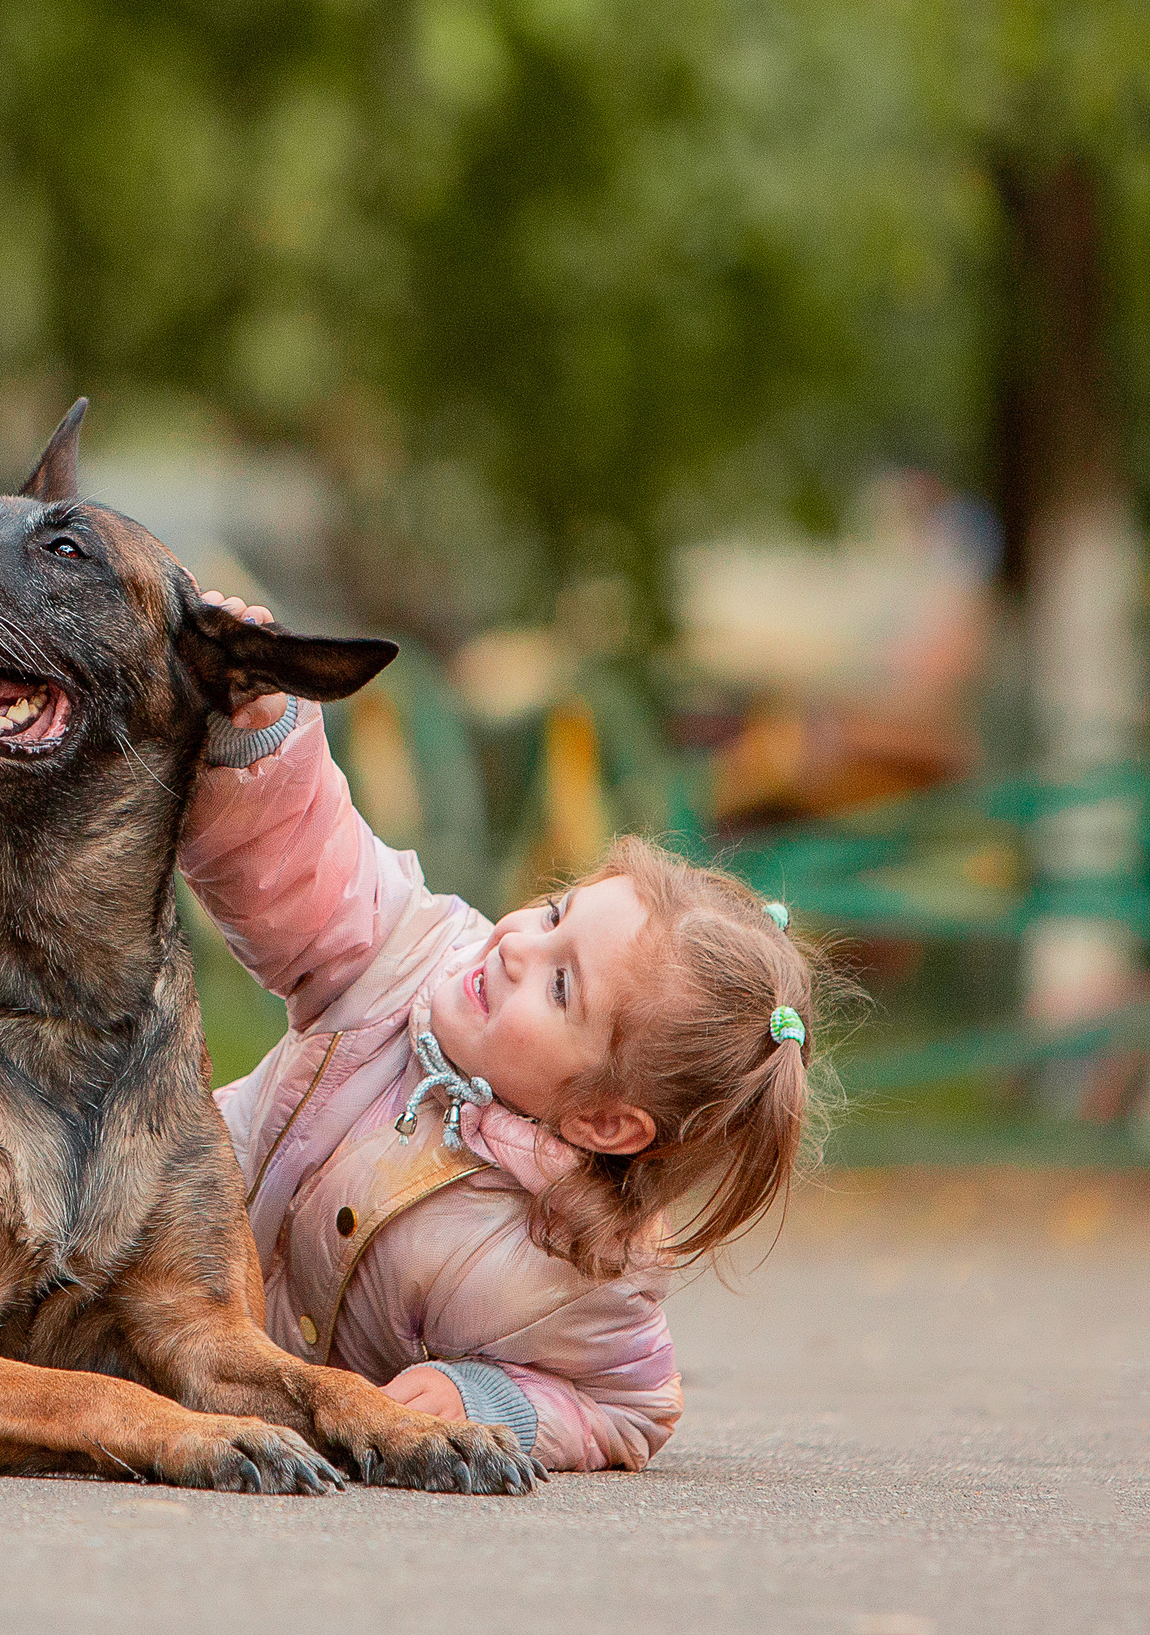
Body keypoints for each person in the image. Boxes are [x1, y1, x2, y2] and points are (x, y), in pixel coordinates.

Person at [187, 591, 841, 1471]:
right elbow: (311, 870)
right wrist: (264, 732)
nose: (519, 947)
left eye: (563, 984)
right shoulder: (407, 955)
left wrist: (492, 1400)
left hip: (257, 1412)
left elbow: (632, 1408)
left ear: (606, 1121)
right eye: (555, 911)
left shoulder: (579, 1270)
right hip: (144, 1241)